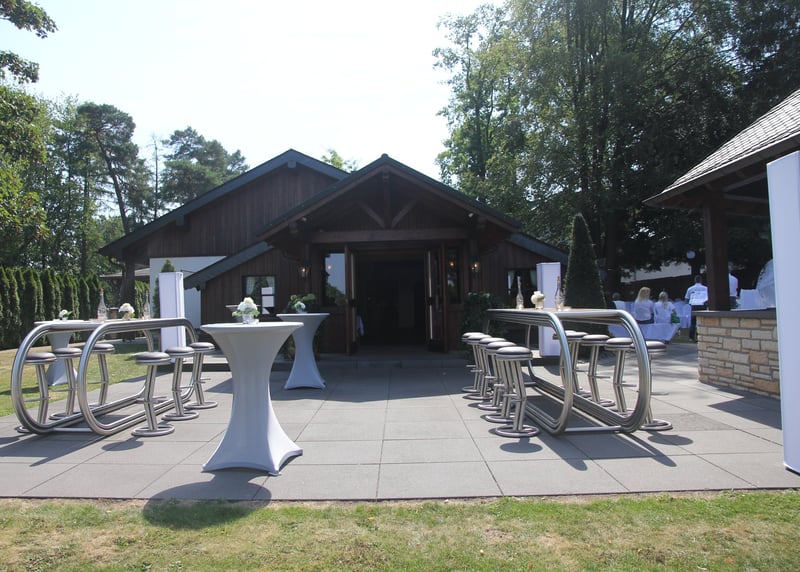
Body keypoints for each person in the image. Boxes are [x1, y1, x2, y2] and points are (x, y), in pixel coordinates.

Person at [684, 275, 708, 341]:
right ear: (701, 280)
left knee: (693, 322)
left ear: (695, 280)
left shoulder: (690, 289)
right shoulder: (705, 288)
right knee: (702, 321)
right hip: (702, 305)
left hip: (694, 306)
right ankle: (700, 336)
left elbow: (686, 299)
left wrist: (690, 302)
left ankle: (691, 337)